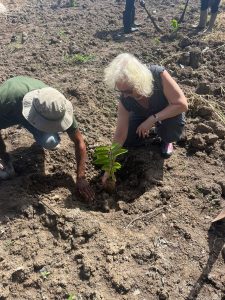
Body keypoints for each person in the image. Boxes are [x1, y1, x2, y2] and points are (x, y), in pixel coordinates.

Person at [0, 76, 94, 200]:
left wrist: (81, 177)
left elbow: (79, 141)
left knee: (50, 141)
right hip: (13, 108)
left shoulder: (57, 106)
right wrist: (3, 156)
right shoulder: (5, 102)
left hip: (32, 108)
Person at [102, 53, 188, 182]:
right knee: (128, 140)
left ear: (139, 82)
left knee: (170, 131)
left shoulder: (158, 75)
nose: (124, 96)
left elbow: (181, 104)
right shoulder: (125, 99)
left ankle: (166, 139)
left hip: (168, 110)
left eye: (128, 91)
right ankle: (153, 131)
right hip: (143, 114)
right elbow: (120, 134)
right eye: (120, 91)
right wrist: (109, 164)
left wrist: (152, 119)